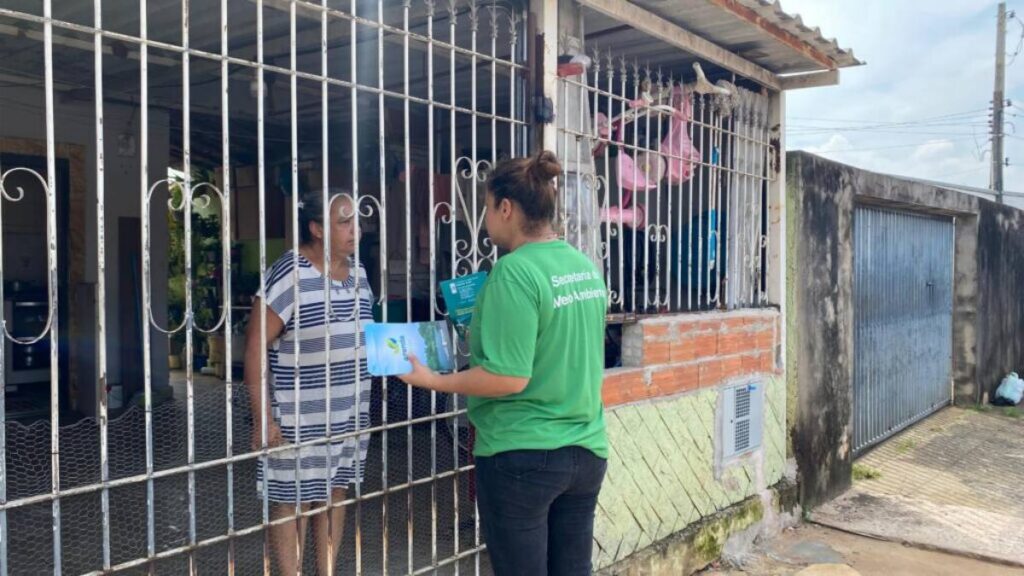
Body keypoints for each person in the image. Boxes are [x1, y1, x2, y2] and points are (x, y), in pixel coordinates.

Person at [400, 150, 609, 576]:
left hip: (523, 454)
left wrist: (433, 380)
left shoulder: (513, 273)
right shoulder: (584, 267)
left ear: (507, 208)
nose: (486, 217)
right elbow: (555, 345)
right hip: (586, 450)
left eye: (486, 207)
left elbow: (509, 377)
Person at [244, 190, 373, 575]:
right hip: (298, 417)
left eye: (357, 221)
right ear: (317, 228)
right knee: (292, 503)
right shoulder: (290, 271)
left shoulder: (360, 274)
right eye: (345, 221)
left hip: (347, 414)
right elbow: (254, 346)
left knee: (334, 496)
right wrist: (262, 417)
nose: (356, 230)